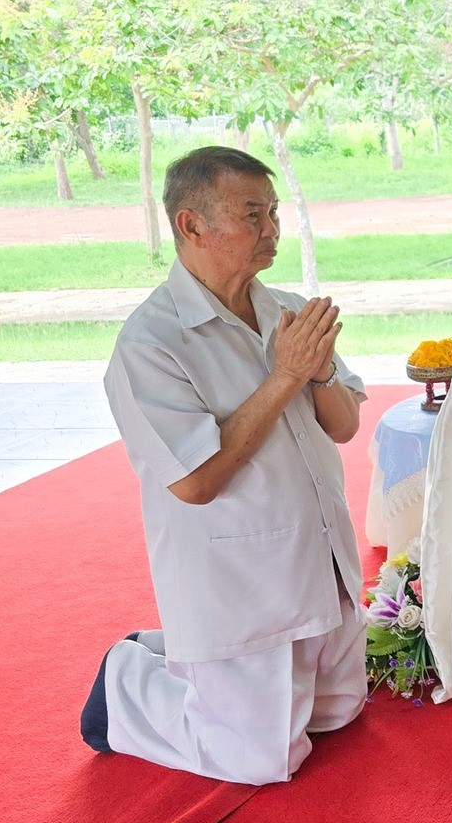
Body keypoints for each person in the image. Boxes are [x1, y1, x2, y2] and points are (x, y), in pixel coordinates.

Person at [81, 146, 369, 784]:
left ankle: (171, 656)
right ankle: (128, 682)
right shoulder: (149, 345)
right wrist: (286, 374)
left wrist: (318, 371)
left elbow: (345, 427)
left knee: (340, 714)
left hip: (323, 563)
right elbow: (195, 482)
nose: (272, 231)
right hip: (238, 580)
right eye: (253, 215)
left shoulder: (287, 309)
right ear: (191, 226)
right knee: (261, 760)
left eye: (272, 212)